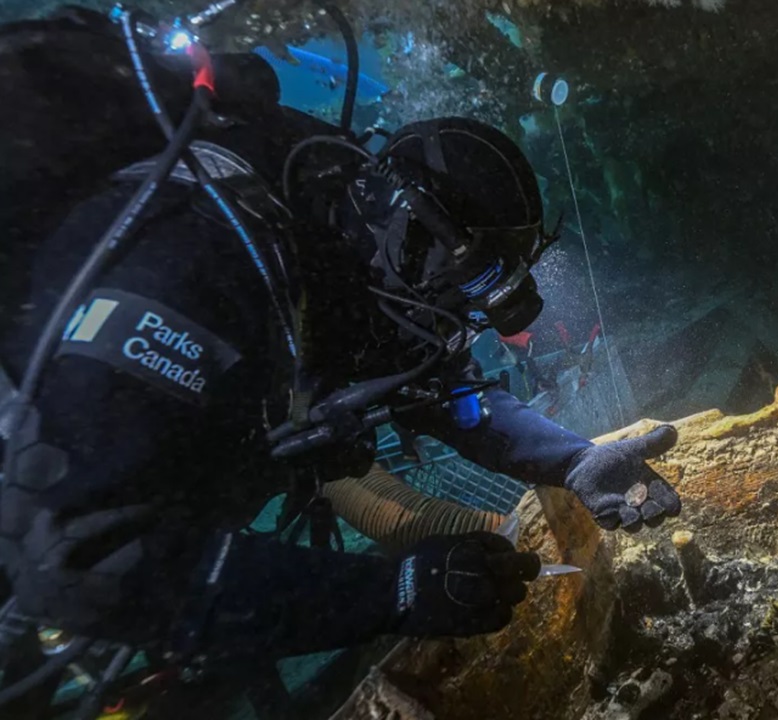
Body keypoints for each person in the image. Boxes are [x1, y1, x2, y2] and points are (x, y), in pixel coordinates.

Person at [0, 3, 681, 693]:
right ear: (411, 234)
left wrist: (574, 459)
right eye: (475, 278)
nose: (474, 315)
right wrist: (395, 592)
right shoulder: (197, 257)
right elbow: (81, 560)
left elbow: (450, 395)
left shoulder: (349, 248)